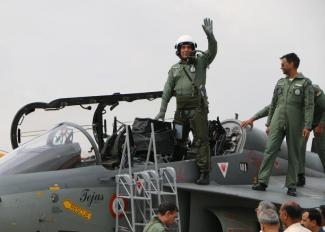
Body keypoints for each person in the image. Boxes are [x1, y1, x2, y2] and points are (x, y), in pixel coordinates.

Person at [155, 18, 217, 185]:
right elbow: (167, 90)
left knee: (201, 140)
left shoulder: (201, 62)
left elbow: (212, 52)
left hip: (197, 109)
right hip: (180, 111)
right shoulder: (174, 69)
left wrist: (210, 36)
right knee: (178, 139)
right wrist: (162, 110)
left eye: (189, 47)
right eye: (183, 47)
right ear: (178, 50)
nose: (186, 50)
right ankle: (175, 167)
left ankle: (204, 173)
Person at [252, 53, 314, 196]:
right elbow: (274, 103)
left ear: (292, 64)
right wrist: (268, 123)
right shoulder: (280, 82)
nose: (281, 66)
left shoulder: (305, 83)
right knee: (270, 150)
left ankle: (291, 185)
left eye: (283, 63)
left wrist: (307, 126)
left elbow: (309, 106)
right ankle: (262, 181)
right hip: (277, 121)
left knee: (294, 154)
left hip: (295, 122)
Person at [241, 84, 325, 186]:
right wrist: (252, 118)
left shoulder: (315, 92)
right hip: (304, 120)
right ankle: (300, 175)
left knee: (322, 149)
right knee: (300, 144)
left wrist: (321, 124)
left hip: (319, 119)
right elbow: (272, 107)